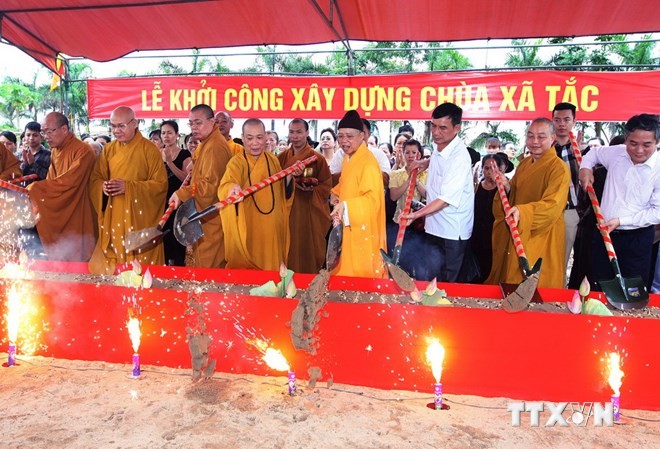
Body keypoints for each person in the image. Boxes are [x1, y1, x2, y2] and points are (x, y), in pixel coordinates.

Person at [579, 113, 660, 291]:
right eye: (633, 143)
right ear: (626, 138)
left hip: (636, 239)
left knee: (632, 290)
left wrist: (622, 221)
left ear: (657, 142)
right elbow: (593, 154)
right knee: (599, 285)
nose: (639, 150)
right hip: (604, 233)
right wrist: (585, 169)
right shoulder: (617, 153)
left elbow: (657, 212)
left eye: (647, 145)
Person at [486, 118, 570, 288]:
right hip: (520, 229)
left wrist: (523, 212)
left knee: (539, 283)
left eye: (541, 136)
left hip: (543, 233)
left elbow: (553, 205)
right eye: (530, 136)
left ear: (553, 137)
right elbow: (516, 192)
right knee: (514, 277)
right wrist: (507, 186)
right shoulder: (525, 164)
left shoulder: (558, 168)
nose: (535, 141)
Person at [88, 106, 168, 275]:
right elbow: (96, 178)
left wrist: (129, 187)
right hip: (114, 215)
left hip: (139, 218)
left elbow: (161, 185)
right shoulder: (108, 150)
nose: (116, 131)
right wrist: (102, 186)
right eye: (113, 126)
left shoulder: (149, 149)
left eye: (121, 126)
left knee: (140, 268)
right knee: (115, 260)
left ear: (134, 124)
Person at [401, 103, 474, 282]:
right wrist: (423, 163)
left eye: (443, 128)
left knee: (447, 282)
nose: (436, 132)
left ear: (457, 128)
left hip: (451, 232)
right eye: (433, 125)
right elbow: (436, 159)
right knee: (431, 276)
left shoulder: (459, 158)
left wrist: (415, 215)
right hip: (434, 225)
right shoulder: (440, 145)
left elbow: (444, 200)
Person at [219, 118, 300, 271]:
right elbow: (226, 184)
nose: (255, 143)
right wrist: (232, 187)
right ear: (242, 138)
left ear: (266, 138)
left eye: (259, 137)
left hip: (272, 230)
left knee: (272, 274)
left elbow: (281, 191)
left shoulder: (272, 160)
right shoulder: (237, 163)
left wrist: (289, 177)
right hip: (250, 228)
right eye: (249, 138)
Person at [27, 112, 96, 262]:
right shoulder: (55, 151)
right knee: (62, 260)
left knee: (80, 261)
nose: (46, 136)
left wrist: (36, 189)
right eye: (44, 132)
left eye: (49, 131)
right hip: (61, 209)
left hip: (79, 209)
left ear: (64, 129)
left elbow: (70, 182)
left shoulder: (83, 150)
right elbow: (52, 180)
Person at [170, 105, 232, 268]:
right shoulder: (206, 143)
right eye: (191, 123)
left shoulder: (215, 146)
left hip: (211, 220)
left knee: (208, 273)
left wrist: (182, 193)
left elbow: (210, 188)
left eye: (198, 123)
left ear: (212, 122)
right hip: (202, 218)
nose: (194, 128)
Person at [330, 110, 386, 278]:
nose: (344, 141)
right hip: (350, 225)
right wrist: (335, 193)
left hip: (363, 230)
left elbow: (372, 201)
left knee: (361, 275)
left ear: (362, 136)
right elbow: (345, 183)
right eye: (340, 136)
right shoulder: (349, 158)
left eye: (349, 136)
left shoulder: (368, 163)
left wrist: (345, 206)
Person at [277, 119, 332, 273]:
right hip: (287, 214)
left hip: (309, 214)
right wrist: (289, 181)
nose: (295, 136)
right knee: (287, 250)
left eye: (299, 132)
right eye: (292, 132)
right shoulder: (281, 158)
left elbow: (326, 185)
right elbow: (274, 185)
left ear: (307, 133)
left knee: (308, 251)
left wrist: (311, 191)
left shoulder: (317, 159)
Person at [387, 139, 429, 278]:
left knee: (419, 259)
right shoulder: (396, 174)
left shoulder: (427, 173)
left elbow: (428, 196)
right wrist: (408, 179)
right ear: (403, 154)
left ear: (420, 155)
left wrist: (416, 181)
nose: (410, 155)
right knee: (401, 257)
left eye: (414, 152)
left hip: (420, 223)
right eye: (407, 152)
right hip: (400, 221)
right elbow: (393, 196)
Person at [470, 153, 513, 283]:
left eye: (493, 168)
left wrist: (504, 184)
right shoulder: (476, 186)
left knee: (492, 263)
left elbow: (512, 200)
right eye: (486, 168)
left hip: (496, 233)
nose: (489, 172)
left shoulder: (506, 187)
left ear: (501, 169)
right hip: (476, 234)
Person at [552, 102, 581, 280]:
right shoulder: (546, 150)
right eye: (557, 120)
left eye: (566, 119)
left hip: (577, 210)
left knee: (582, 259)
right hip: (555, 211)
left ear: (574, 121)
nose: (562, 124)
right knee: (557, 259)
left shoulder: (583, 151)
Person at [160, 120, 191, 266]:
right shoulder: (157, 153)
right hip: (161, 203)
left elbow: (186, 178)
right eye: (163, 133)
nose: (166, 136)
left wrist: (170, 163)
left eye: (170, 133)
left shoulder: (184, 154)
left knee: (177, 239)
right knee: (163, 240)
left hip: (179, 203)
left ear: (177, 135)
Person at [329, 119, 391, 187]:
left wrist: (365, 169)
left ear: (369, 134)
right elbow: (331, 181)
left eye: (362, 133)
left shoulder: (378, 154)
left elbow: (386, 181)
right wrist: (349, 170)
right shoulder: (340, 153)